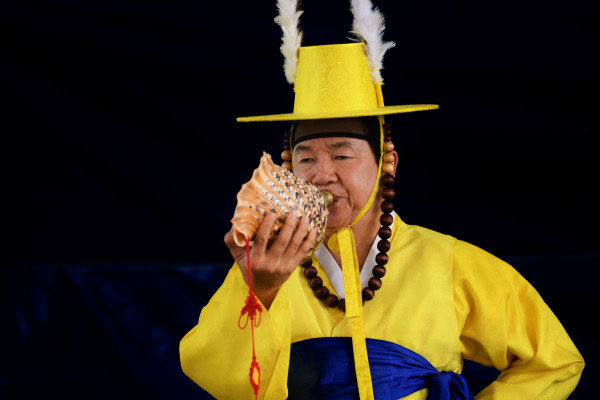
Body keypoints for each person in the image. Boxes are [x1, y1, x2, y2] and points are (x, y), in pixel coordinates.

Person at [180, 2, 584, 399]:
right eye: (306, 159)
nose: (321, 175)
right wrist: (261, 291)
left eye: (341, 156)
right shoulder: (265, 266)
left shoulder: (451, 264)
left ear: (386, 162)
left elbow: (554, 363)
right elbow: (221, 380)